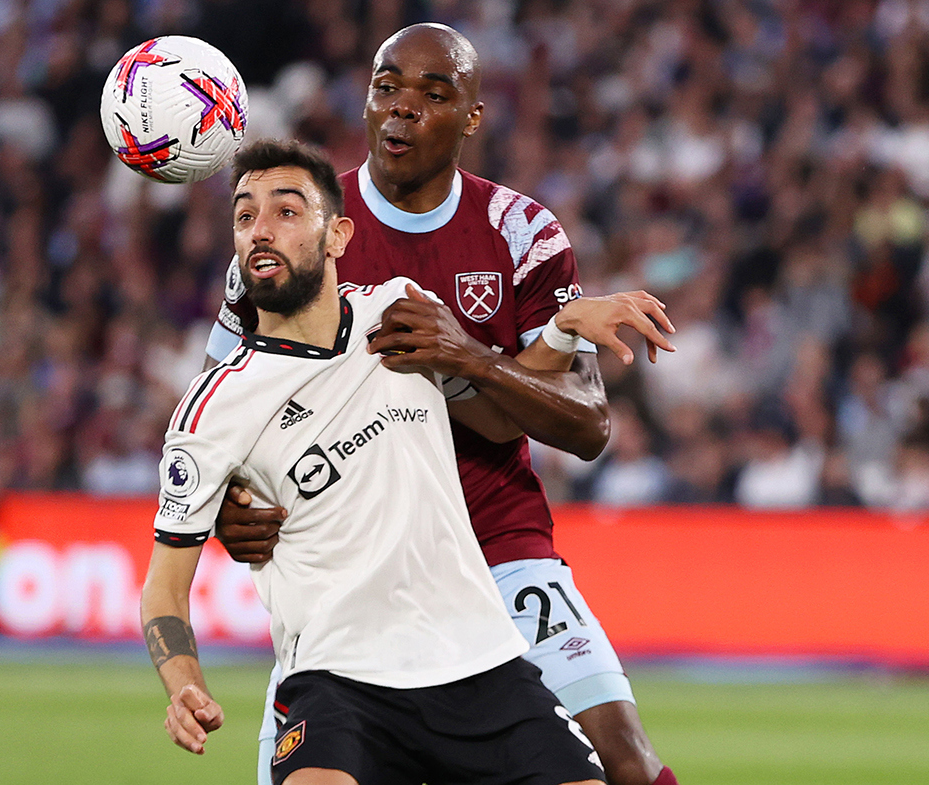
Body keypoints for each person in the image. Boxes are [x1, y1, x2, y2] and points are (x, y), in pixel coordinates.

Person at [206, 24, 678, 785]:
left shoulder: (522, 231)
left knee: (625, 762)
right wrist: (228, 503)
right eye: (386, 87)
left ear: (471, 116)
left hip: (498, 545)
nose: (401, 110)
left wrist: (466, 354)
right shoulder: (300, 233)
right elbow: (221, 403)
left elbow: (588, 425)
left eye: (432, 95)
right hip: (354, 563)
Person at [142, 138, 606, 785]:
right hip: (338, 683)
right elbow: (163, 588)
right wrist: (183, 683)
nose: (260, 230)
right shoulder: (213, 407)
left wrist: (558, 333)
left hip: (481, 665)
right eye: (244, 216)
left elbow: (499, 423)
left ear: (338, 235)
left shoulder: (397, 310)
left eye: (285, 211)